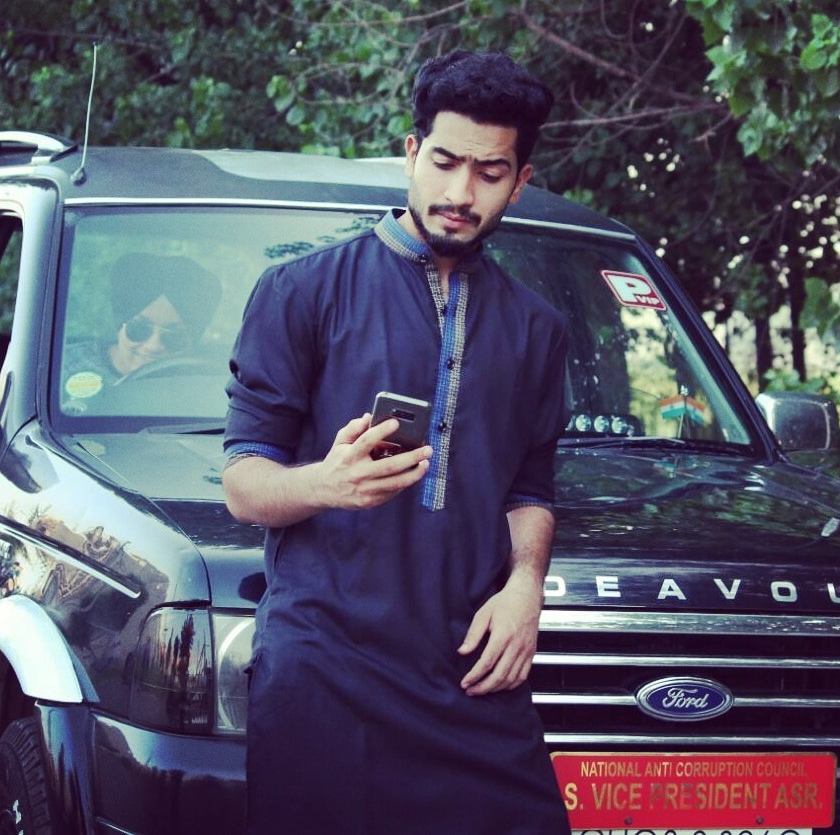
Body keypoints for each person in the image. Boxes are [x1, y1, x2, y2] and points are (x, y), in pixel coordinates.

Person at [223, 50, 571, 835]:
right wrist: (324, 483)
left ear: (518, 181)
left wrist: (525, 586)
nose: (460, 192)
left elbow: (528, 488)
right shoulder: (301, 291)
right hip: (325, 670)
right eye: (444, 162)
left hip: (472, 674)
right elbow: (243, 484)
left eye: (489, 172)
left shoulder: (537, 328)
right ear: (411, 153)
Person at [62, 252, 221, 404]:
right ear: (120, 325)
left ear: (192, 341)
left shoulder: (206, 386)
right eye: (139, 329)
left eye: (174, 337)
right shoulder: (65, 367)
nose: (154, 346)